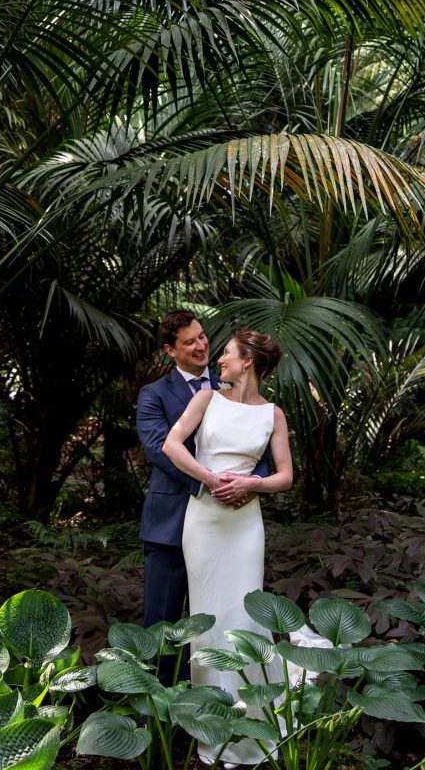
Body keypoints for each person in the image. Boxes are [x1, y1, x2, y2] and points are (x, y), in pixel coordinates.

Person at [162, 328, 293, 767]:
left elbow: (285, 476)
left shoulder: (273, 414)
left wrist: (253, 483)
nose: (218, 360)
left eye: (227, 355)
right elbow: (171, 445)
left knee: (242, 614)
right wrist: (211, 478)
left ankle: (252, 726)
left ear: (248, 362)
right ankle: (211, 727)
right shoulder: (205, 399)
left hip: (245, 523)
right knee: (207, 619)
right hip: (204, 518)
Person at [137, 311, 271, 638]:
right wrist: (211, 484)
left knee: (220, 614)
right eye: (189, 342)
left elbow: (260, 441)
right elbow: (159, 448)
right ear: (171, 350)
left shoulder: (232, 385)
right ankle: (158, 689)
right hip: (171, 521)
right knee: (163, 621)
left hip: (228, 524)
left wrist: (251, 485)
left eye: (202, 336)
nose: (201, 346)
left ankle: (207, 683)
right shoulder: (153, 394)